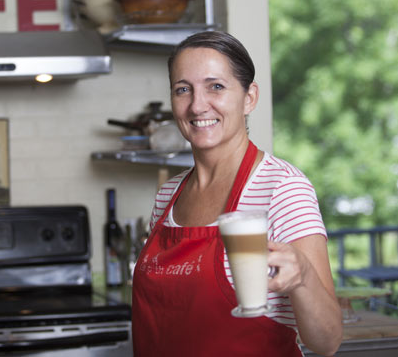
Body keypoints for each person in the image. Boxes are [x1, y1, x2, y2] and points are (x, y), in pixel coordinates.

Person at [131, 31, 343, 356]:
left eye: (216, 86)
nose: (197, 105)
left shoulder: (282, 188)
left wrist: (303, 279)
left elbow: (327, 341)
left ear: (249, 97)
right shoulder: (169, 193)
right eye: (182, 89)